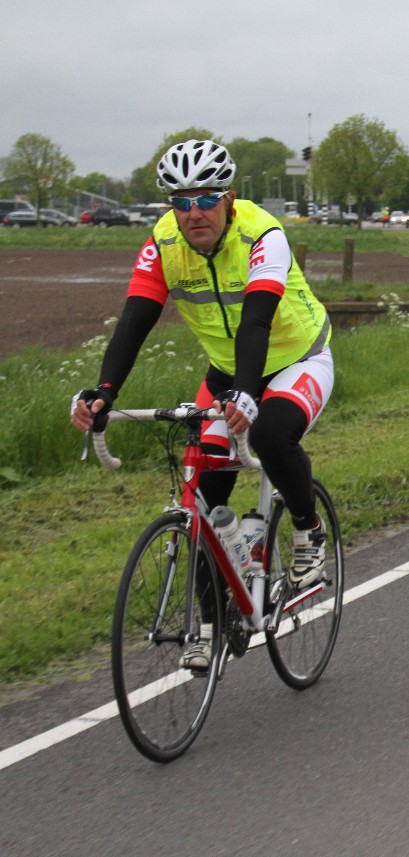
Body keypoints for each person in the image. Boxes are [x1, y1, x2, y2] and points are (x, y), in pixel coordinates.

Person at [70, 139, 335, 671]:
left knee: (269, 434)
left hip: (297, 358)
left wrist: (247, 394)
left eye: (207, 198)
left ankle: (308, 527)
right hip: (226, 372)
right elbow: (134, 321)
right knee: (201, 492)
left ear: (229, 198)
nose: (195, 212)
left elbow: (256, 320)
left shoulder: (262, 234)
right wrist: (104, 392)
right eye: (182, 201)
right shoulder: (163, 243)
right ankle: (211, 623)